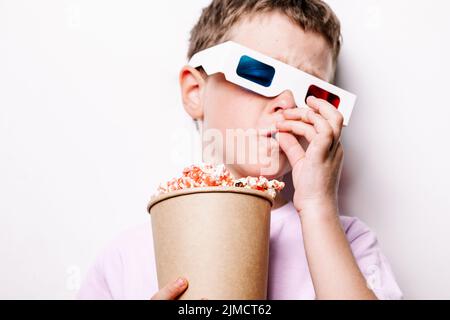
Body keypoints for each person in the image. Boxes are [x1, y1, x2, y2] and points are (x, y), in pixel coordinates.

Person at [78, 0, 403, 300]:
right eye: (259, 73)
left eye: (312, 91)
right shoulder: (126, 260)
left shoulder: (348, 241)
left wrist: (319, 208)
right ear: (195, 92)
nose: (287, 103)